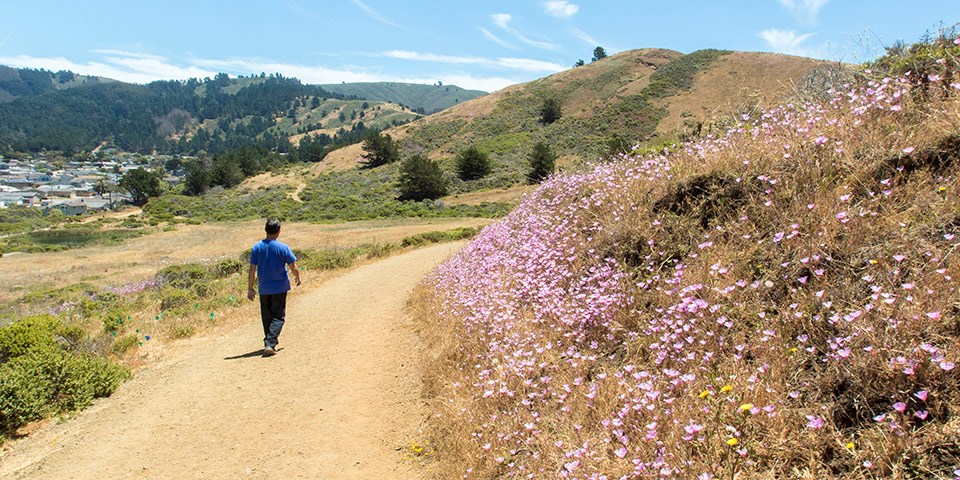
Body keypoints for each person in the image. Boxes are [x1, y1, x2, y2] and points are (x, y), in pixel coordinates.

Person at [247, 218, 301, 356]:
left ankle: (269, 342)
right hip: (280, 287)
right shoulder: (283, 247)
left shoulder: (257, 248)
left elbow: (252, 269)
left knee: (267, 316)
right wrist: (297, 277)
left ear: (265, 230)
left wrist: (250, 287)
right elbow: (293, 266)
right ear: (279, 232)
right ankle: (270, 343)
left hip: (264, 288)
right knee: (278, 317)